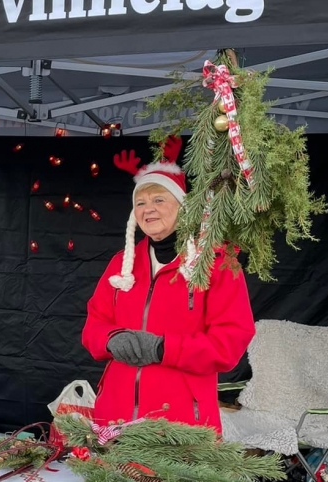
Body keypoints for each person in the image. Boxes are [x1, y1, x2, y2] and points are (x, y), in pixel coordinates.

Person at [81, 156, 255, 433]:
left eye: (159, 200)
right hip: (114, 417)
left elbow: (229, 341)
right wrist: (111, 339)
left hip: (181, 423)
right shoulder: (121, 264)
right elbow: (93, 325)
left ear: (182, 206)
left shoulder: (216, 262)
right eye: (140, 203)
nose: (148, 209)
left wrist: (163, 348)